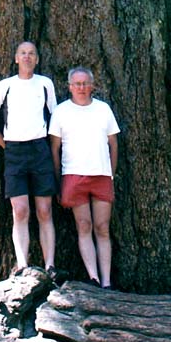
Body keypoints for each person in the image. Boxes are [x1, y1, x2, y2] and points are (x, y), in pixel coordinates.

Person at [0, 41, 58, 278]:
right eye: (23, 53)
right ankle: (22, 264)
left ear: (37, 59)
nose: (27, 57)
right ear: (16, 58)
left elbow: (55, 118)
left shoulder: (45, 84)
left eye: (31, 53)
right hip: (15, 151)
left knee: (44, 210)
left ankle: (50, 266)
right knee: (21, 210)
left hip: (40, 149)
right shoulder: (7, 85)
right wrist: (6, 145)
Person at [49, 67, 119, 290]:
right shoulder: (61, 111)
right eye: (77, 84)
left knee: (102, 227)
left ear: (92, 85)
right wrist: (58, 178)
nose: (81, 88)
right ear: (70, 86)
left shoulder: (103, 109)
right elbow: (54, 148)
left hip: (101, 173)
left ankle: (107, 281)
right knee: (84, 225)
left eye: (85, 83)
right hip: (73, 174)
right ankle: (93, 277)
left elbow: (113, 144)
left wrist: (112, 173)